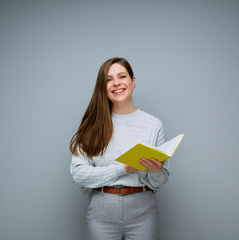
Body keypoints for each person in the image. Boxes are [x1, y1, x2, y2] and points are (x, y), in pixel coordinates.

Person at [70, 57, 169, 240]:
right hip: (101, 211)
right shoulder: (92, 125)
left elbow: (160, 181)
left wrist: (155, 172)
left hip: (143, 211)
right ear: (103, 86)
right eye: (108, 79)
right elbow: (78, 174)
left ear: (133, 81)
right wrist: (122, 168)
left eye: (122, 76)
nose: (116, 83)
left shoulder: (153, 125)